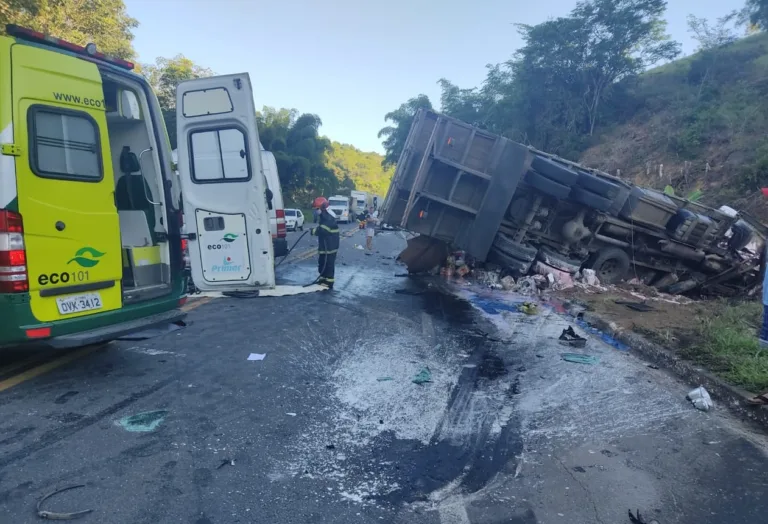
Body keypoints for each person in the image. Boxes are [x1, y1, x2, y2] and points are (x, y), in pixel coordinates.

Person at [310, 197, 339, 289]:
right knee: (322, 263)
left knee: (329, 264)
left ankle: (329, 282)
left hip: (330, 246)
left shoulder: (329, 217)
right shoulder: (323, 216)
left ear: (322, 208)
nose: (315, 211)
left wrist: (314, 231)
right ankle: (322, 279)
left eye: (316, 209)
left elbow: (323, 230)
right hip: (324, 246)